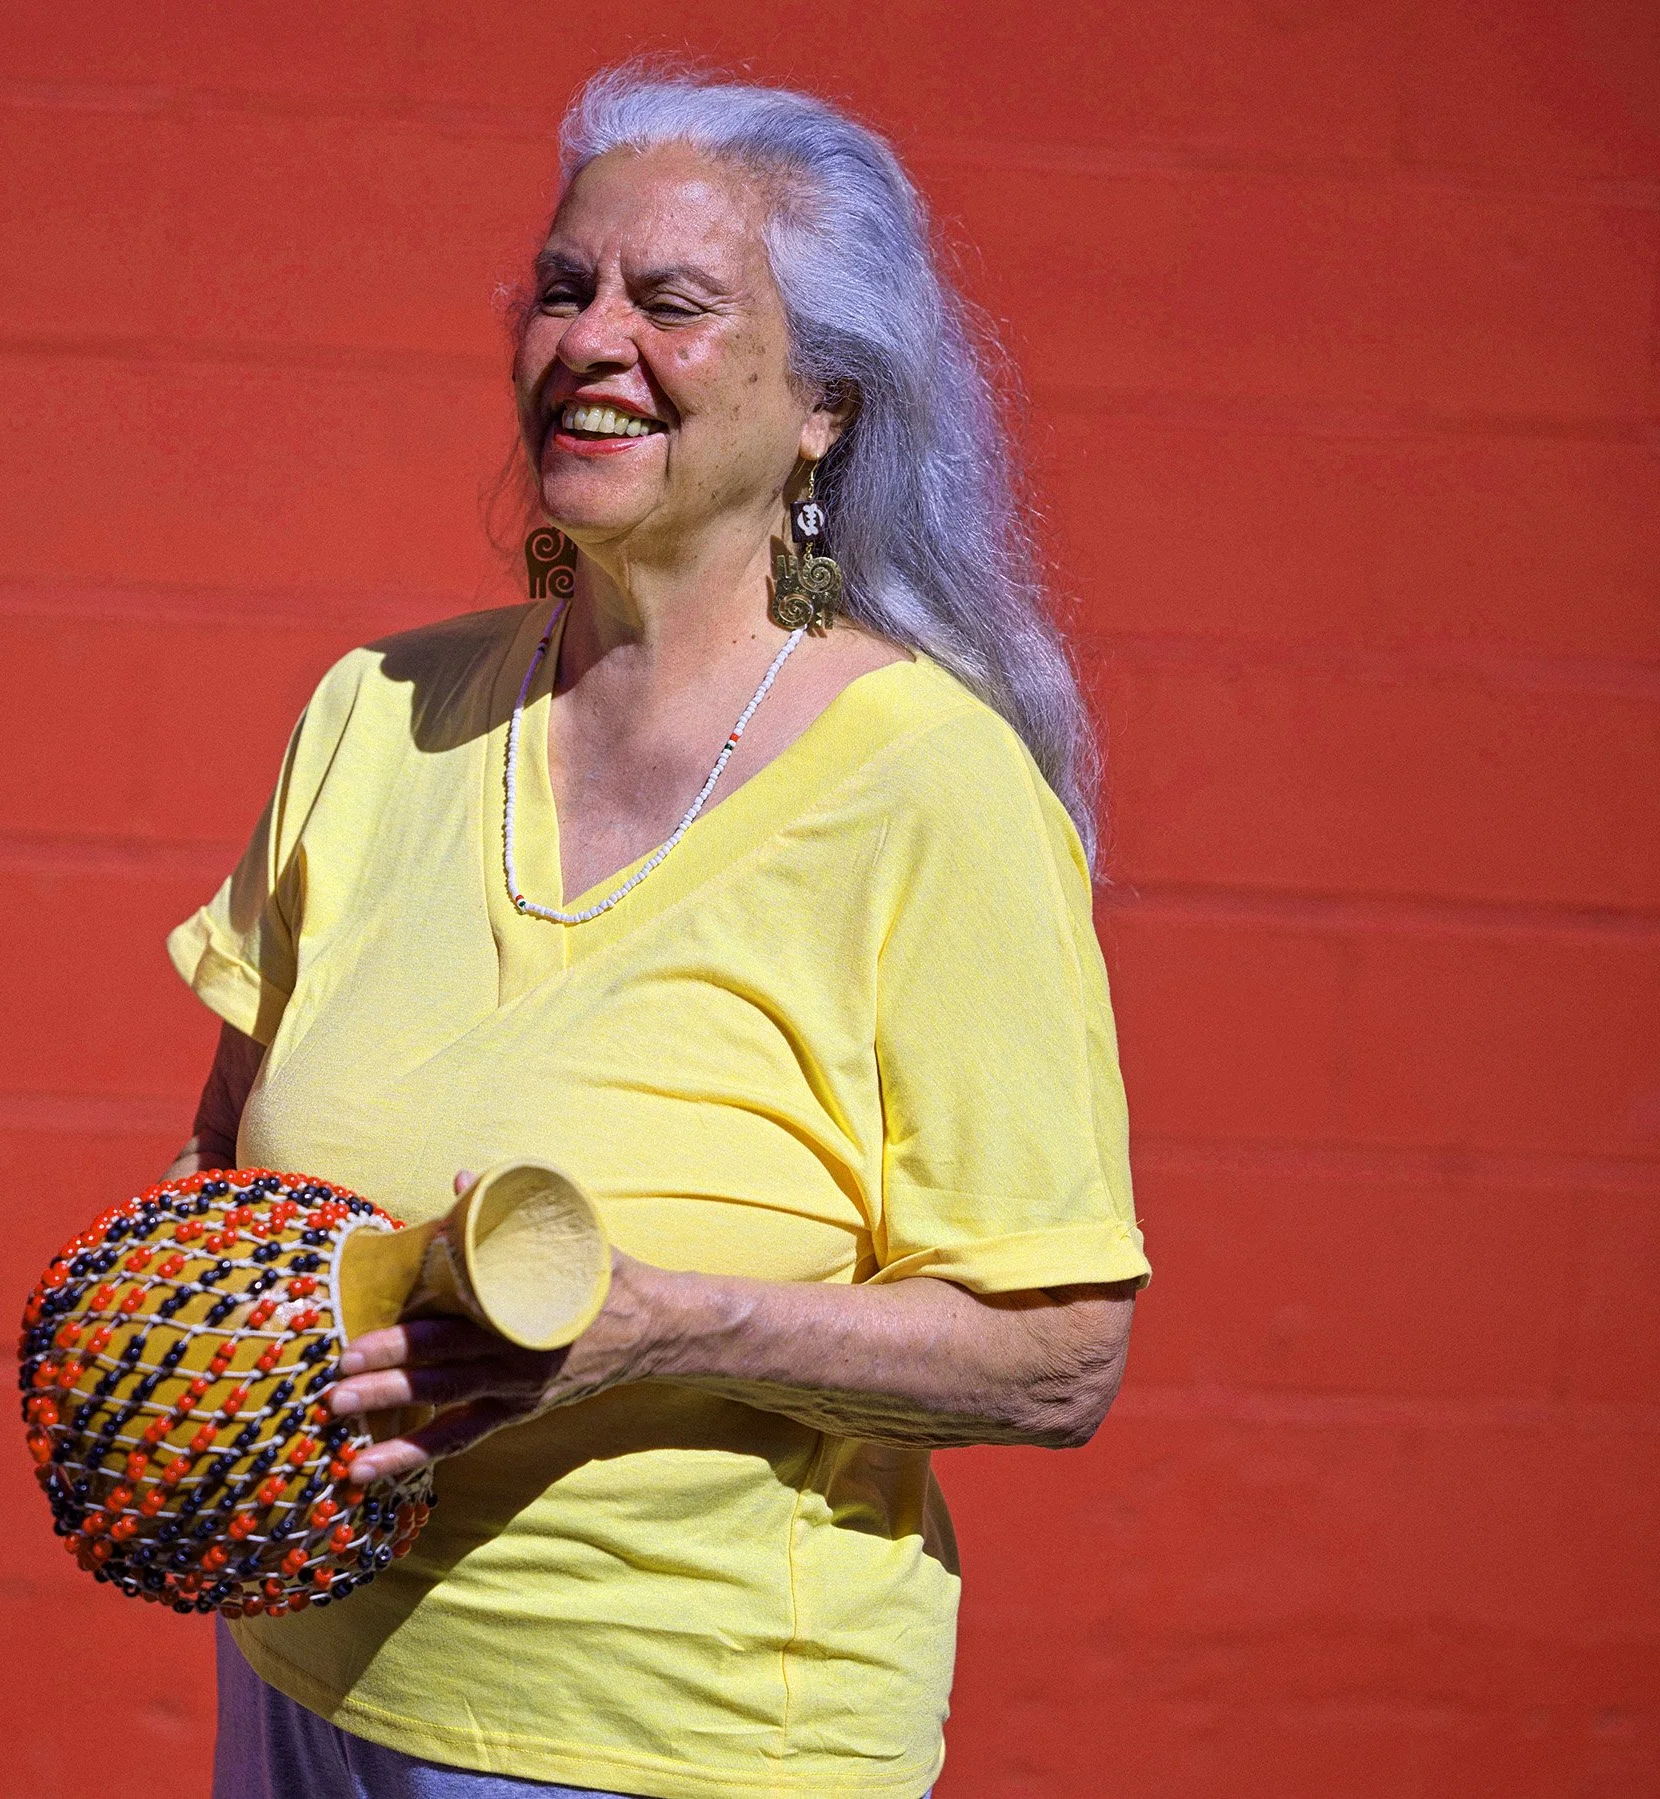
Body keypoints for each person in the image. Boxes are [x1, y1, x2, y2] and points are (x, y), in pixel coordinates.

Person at [162, 65, 1150, 1799]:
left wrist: (660, 1325)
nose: (590, 341)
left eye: (672, 303)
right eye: (564, 286)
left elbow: (1061, 1350)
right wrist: (187, 1364)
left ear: (827, 402)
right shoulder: (377, 712)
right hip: (305, 1681)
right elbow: (223, 1160)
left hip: (670, 1741)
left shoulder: (931, 789)